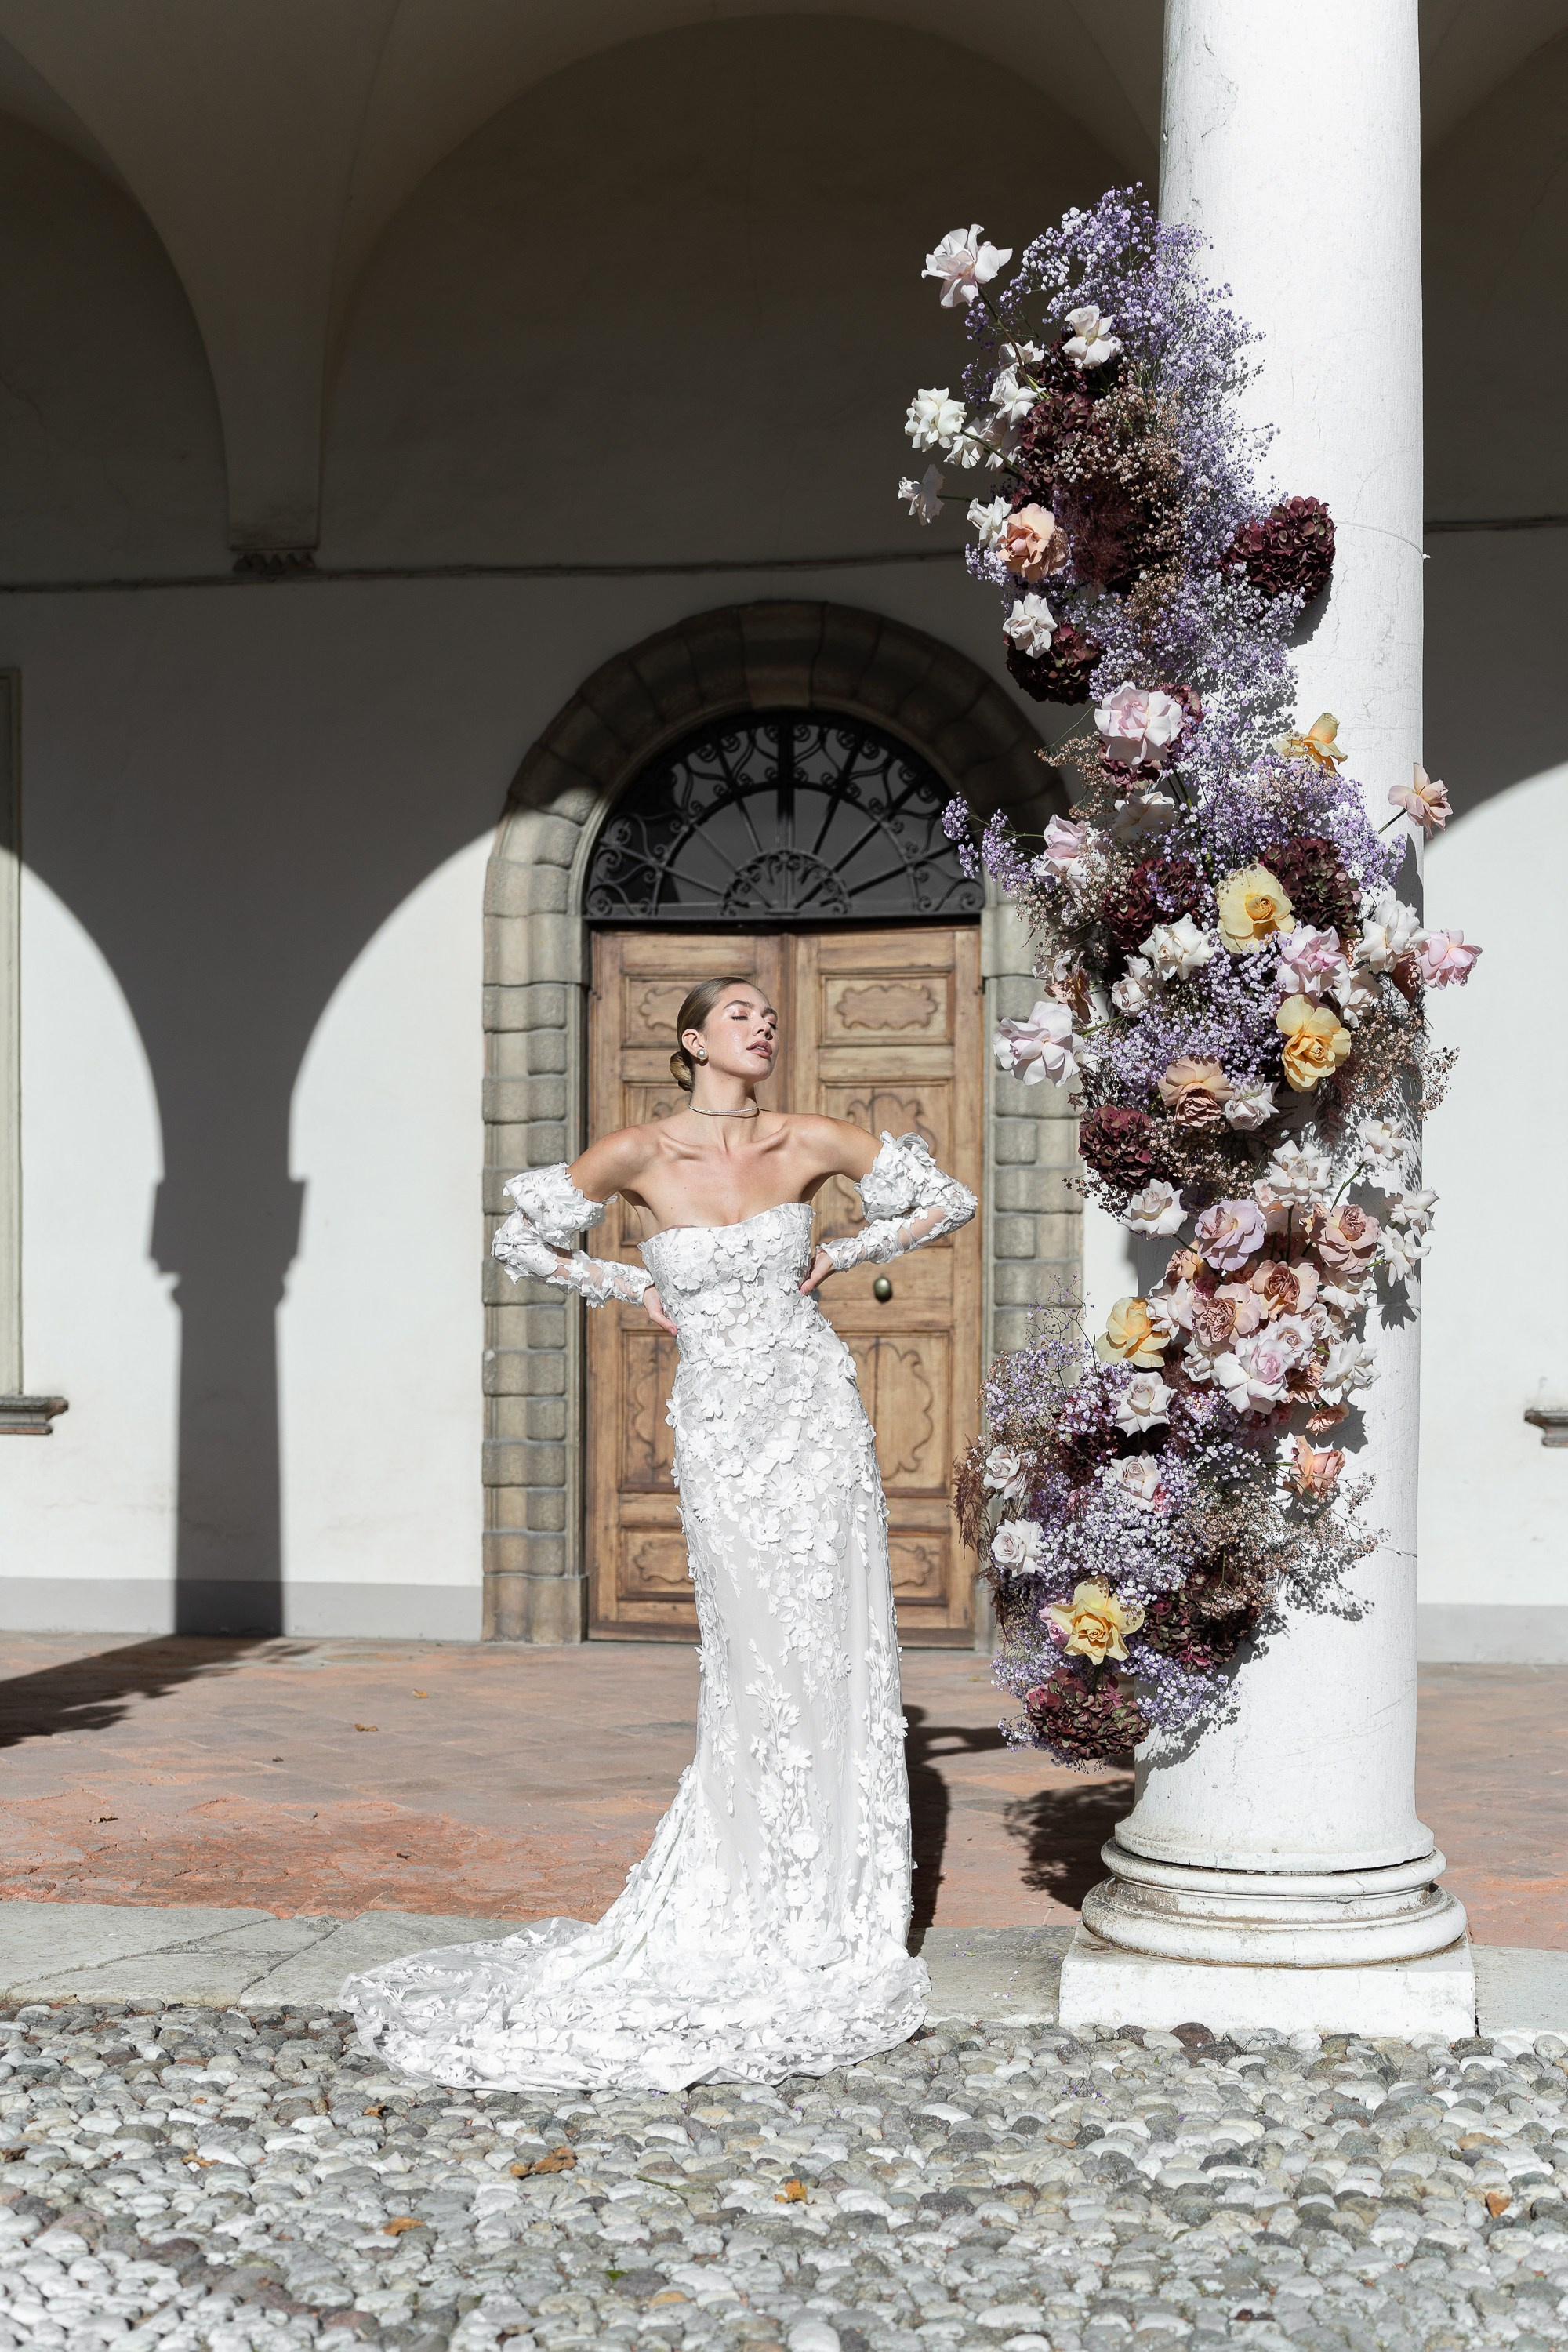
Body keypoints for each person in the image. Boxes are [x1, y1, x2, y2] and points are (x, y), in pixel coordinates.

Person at [340, 975, 976, 2091]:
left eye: (771, 1015)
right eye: (741, 1014)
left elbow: (948, 1202)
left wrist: (848, 1254)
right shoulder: (636, 1154)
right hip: (724, 1428)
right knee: (756, 1653)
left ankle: (832, 1899)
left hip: (814, 1417)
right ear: (693, 1041)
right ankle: (752, 1883)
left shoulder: (810, 1138)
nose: (764, 1025)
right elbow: (521, 1244)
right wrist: (623, 1282)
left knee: (832, 1642)